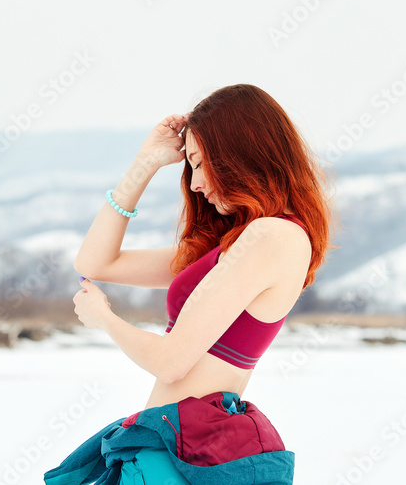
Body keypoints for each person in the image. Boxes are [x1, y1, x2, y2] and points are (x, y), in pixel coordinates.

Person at [43, 84, 334, 484]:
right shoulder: (230, 245)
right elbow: (96, 261)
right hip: (171, 454)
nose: (194, 183)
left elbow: (171, 362)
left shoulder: (272, 237)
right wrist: (146, 162)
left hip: (182, 463)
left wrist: (103, 318)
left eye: (200, 163)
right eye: (190, 165)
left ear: (238, 154)